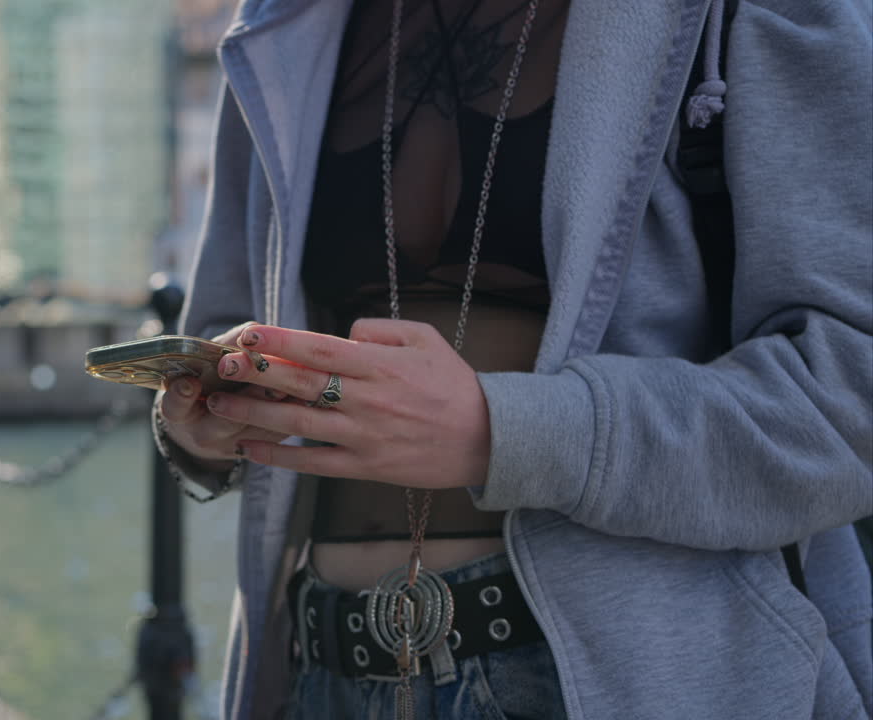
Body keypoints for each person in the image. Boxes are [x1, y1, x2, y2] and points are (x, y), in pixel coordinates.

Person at [152, 0, 873, 718]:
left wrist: (503, 432)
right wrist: (211, 425)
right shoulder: (286, 18)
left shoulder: (756, 12)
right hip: (321, 670)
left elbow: (848, 406)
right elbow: (228, 327)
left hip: (625, 683)